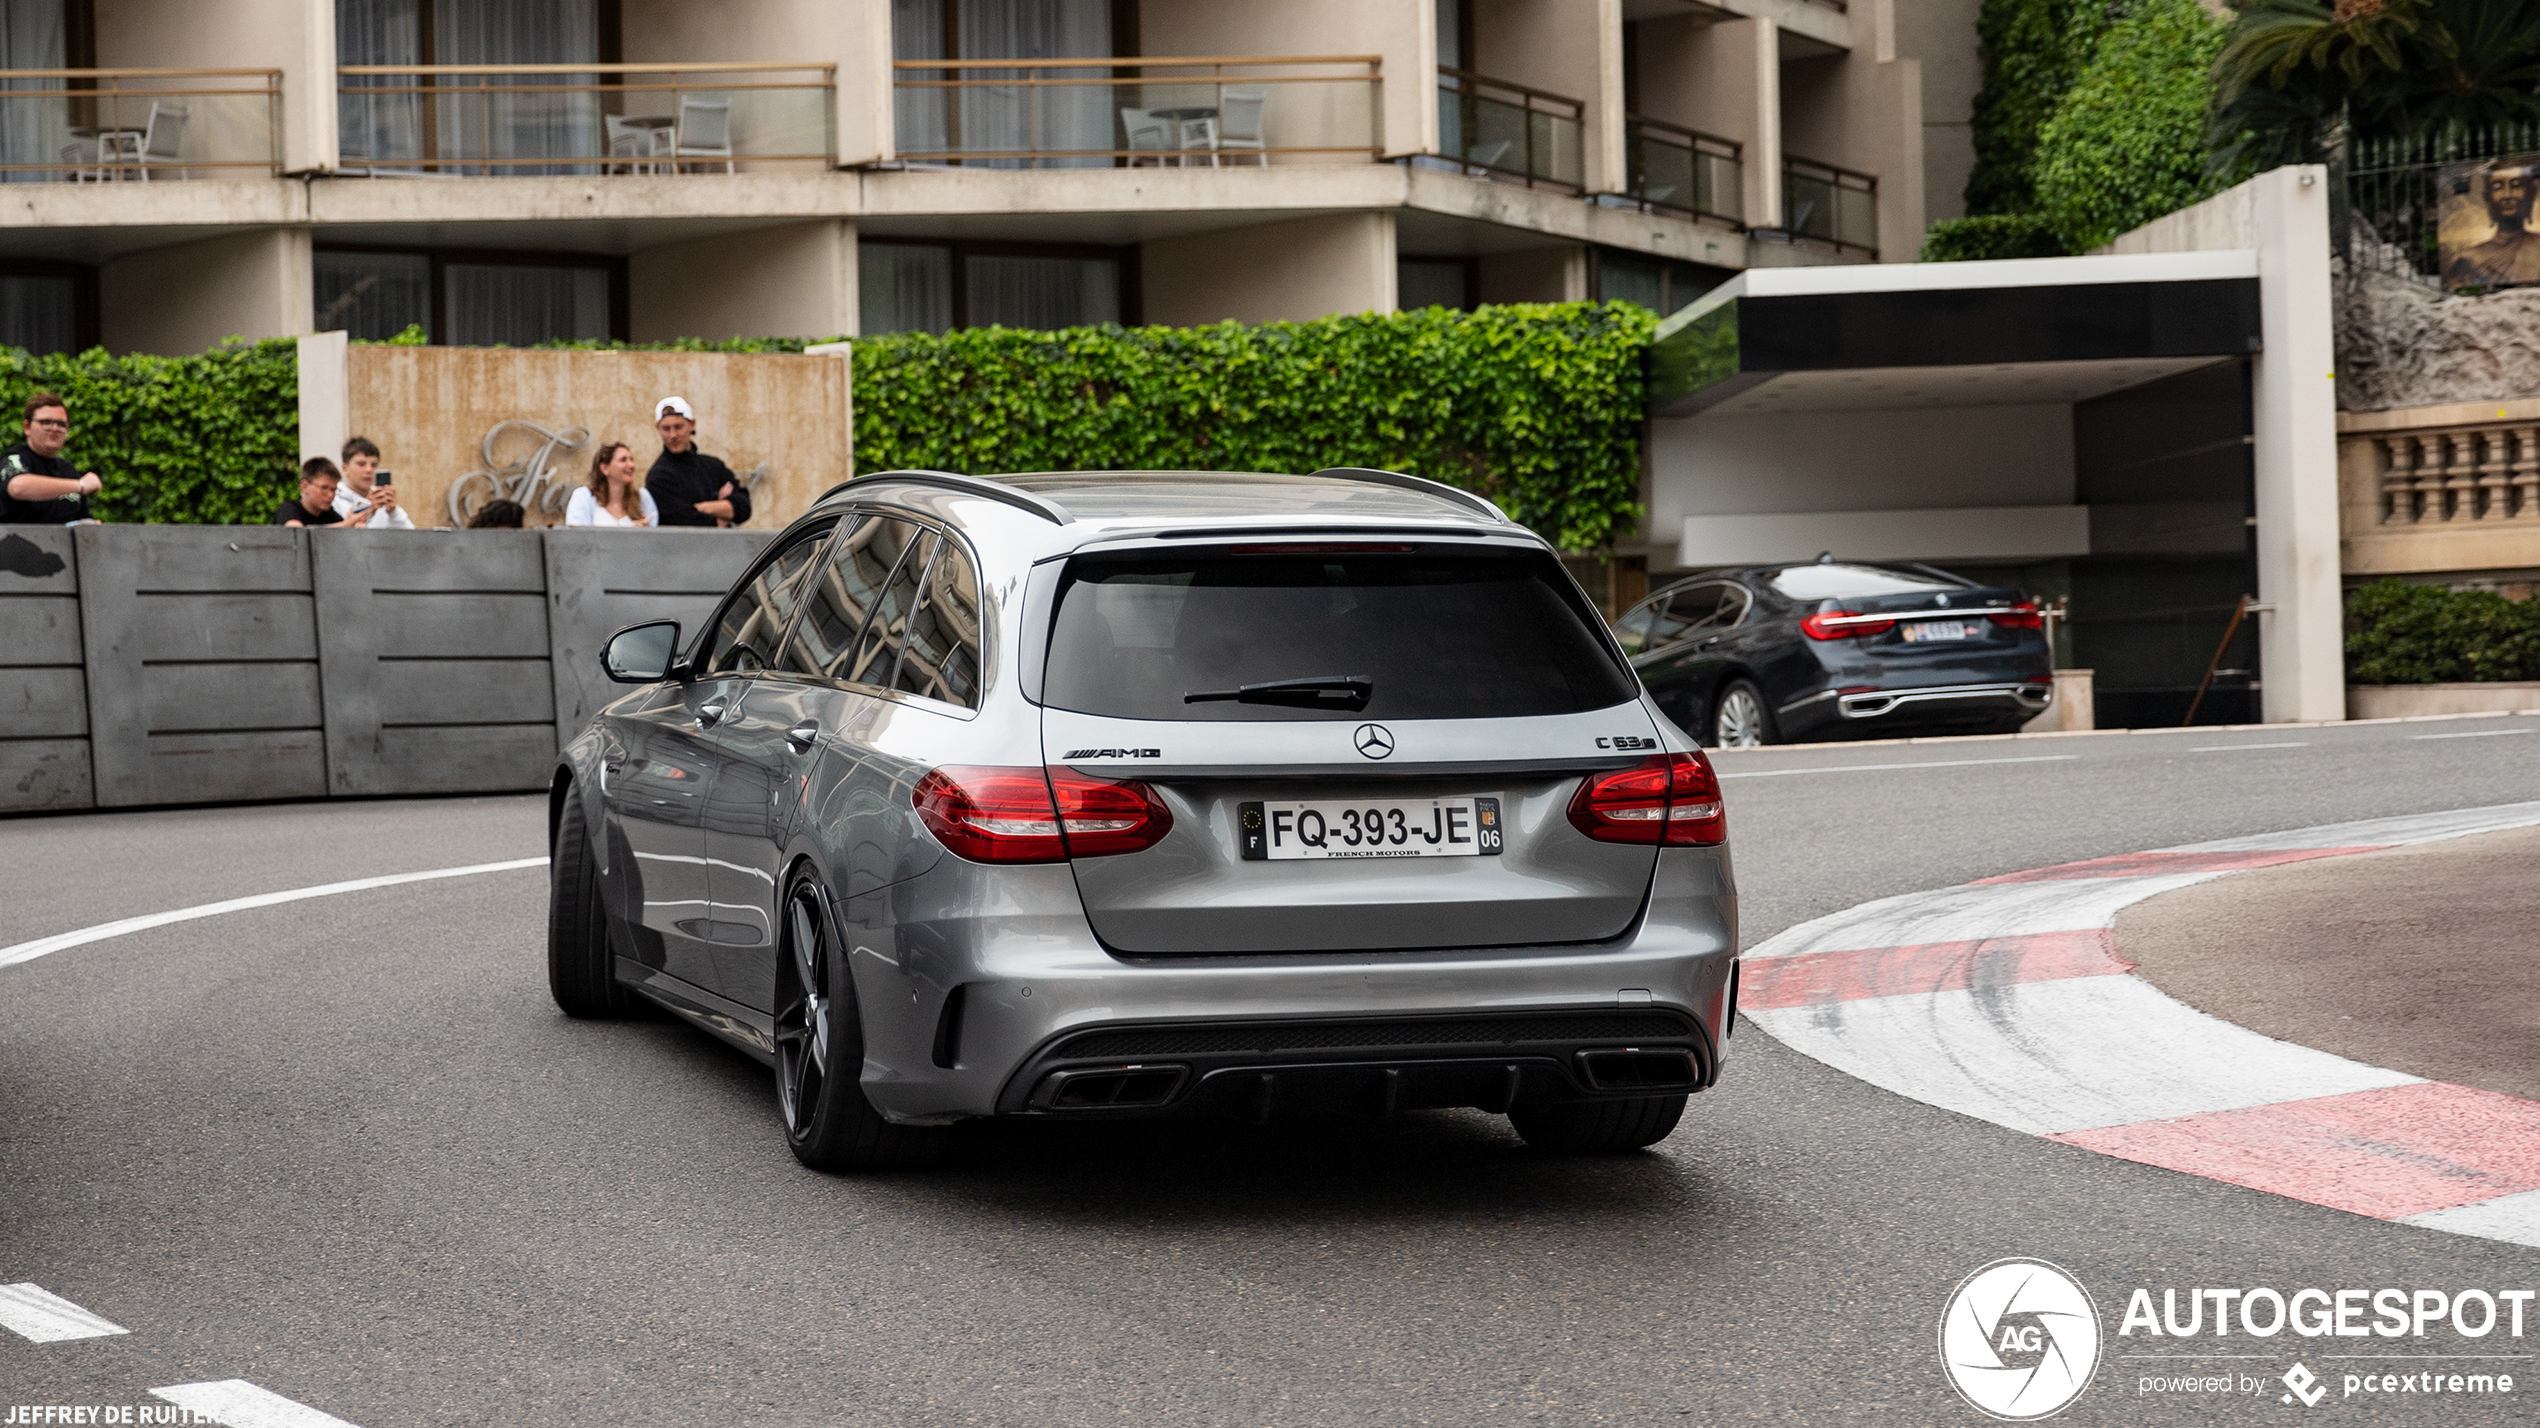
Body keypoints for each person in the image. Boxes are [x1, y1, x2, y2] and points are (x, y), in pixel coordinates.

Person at [645, 395, 752, 527]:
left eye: (678, 427)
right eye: (666, 429)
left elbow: (744, 506)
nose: (673, 435)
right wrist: (723, 513)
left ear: (692, 424)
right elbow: (681, 520)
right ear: (658, 429)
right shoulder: (658, 477)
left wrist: (703, 507)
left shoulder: (714, 467)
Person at [2, 392, 102, 524]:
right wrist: (80, 485)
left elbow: (82, 520)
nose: (54, 428)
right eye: (46, 422)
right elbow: (17, 487)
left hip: (61, 544)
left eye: (61, 424)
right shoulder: (15, 458)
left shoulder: (68, 470)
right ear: (27, 427)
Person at [2448, 163, 2540, 289]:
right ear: (2487, 199)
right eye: (2497, 187)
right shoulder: (2468, 257)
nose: (2507, 195)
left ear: (2530, 196)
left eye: (2516, 186)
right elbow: (2456, 287)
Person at [565, 441, 658, 527]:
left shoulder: (642, 497)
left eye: (631, 459)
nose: (631, 465)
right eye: (623, 460)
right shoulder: (584, 497)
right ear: (605, 468)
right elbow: (576, 539)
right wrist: (627, 536)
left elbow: (656, 540)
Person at [333, 436, 414, 530]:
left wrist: (393, 511)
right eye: (361, 464)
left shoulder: (381, 498)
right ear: (345, 468)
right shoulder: (333, 500)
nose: (369, 470)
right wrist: (370, 509)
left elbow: (411, 536)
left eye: (374, 465)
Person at [274, 458, 347, 528]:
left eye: (333, 490)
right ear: (304, 486)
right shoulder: (289, 509)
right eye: (324, 488)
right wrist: (344, 525)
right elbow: (296, 531)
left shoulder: (330, 515)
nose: (331, 495)